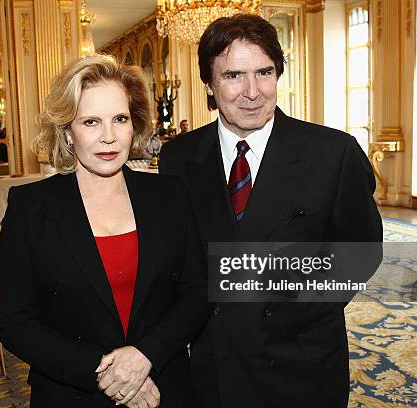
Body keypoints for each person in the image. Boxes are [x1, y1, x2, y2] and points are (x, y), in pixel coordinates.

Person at [159, 14, 383, 408]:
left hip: (302, 364)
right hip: (214, 366)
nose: (252, 91)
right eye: (233, 76)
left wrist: (286, 309)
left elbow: (360, 254)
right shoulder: (178, 157)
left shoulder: (334, 153)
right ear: (209, 84)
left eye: (264, 72)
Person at [0, 54, 208, 408]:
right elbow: (15, 323)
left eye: (119, 119)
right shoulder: (30, 208)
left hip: (165, 386)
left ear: (134, 125)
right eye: (91, 122)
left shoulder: (170, 195)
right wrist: (108, 374)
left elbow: (197, 292)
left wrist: (145, 356)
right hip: (72, 393)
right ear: (66, 131)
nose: (109, 137)